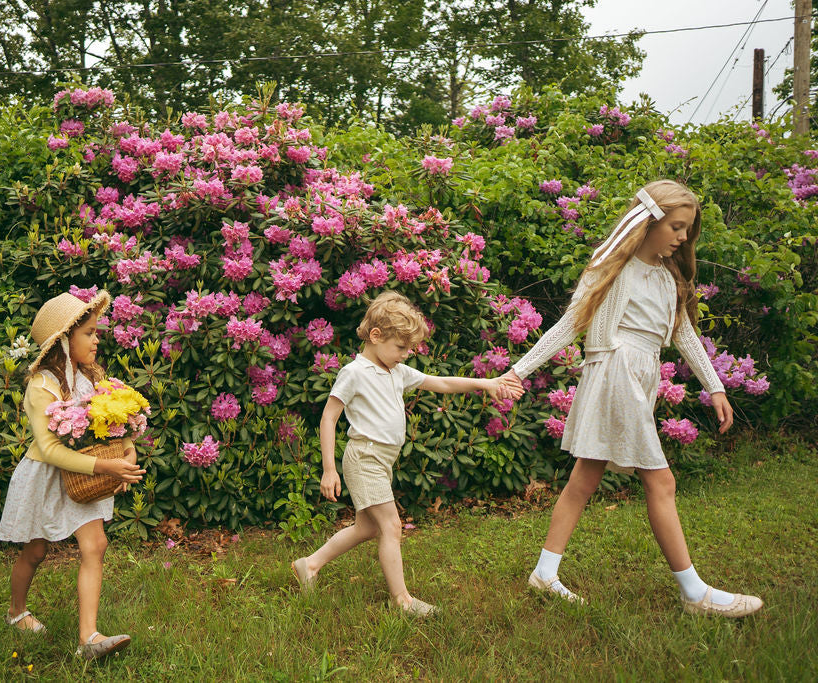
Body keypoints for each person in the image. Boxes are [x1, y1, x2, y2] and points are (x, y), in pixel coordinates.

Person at [503, 180, 762, 617]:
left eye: (687, 230)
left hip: (637, 377)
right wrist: (517, 370)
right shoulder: (612, 269)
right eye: (677, 227)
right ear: (649, 222)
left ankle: (545, 573)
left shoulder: (666, 278)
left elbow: (683, 335)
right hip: (616, 372)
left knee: (585, 477)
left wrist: (714, 385)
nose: (683, 237)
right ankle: (694, 592)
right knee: (661, 482)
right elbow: (569, 325)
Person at [291, 291, 522, 615]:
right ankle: (402, 601)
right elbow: (328, 417)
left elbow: (441, 383)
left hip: (381, 461)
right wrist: (329, 470)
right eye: (400, 347)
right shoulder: (354, 373)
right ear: (376, 335)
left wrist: (486, 384)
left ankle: (309, 565)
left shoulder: (396, 372)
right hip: (364, 457)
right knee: (391, 526)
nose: (405, 354)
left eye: (408, 348)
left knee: (367, 528)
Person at [0, 291, 146, 657]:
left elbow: (112, 425)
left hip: (84, 479)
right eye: (90, 333)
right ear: (64, 340)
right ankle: (16, 613)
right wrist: (106, 467)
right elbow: (49, 449)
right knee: (35, 551)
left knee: (95, 544)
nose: (97, 340)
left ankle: (88, 639)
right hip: (46, 477)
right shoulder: (41, 386)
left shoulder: (90, 378)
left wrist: (127, 449)